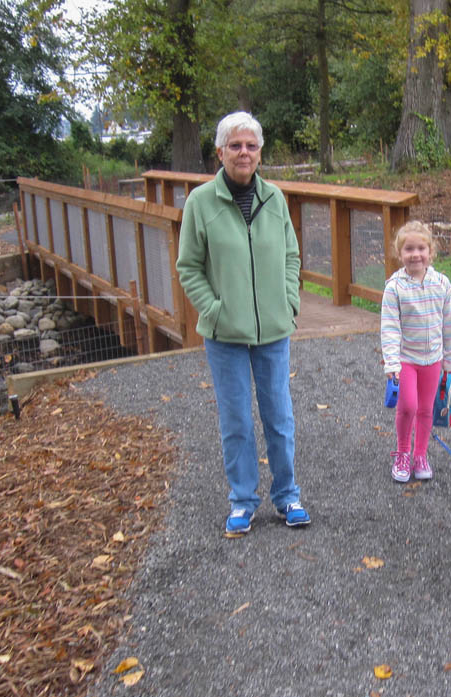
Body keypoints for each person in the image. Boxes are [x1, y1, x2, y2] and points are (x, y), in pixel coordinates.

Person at [176, 111, 310, 537]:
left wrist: (289, 300)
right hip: (224, 334)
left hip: (272, 329)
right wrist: (212, 310)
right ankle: (242, 500)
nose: (244, 153)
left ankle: (287, 495)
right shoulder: (200, 202)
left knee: (279, 417)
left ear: (260, 152)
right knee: (236, 420)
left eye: (251, 146)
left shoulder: (275, 199)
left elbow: (291, 255)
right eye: (235, 145)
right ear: (219, 152)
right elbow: (189, 267)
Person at [380, 220, 451, 483]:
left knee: (426, 408)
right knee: (408, 406)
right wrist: (392, 361)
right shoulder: (395, 288)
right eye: (409, 249)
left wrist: (450, 358)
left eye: (421, 248)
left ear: (430, 252)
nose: (415, 254)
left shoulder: (442, 284)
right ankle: (403, 453)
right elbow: (390, 327)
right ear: (399, 253)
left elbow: (450, 323)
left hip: (433, 360)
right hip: (407, 360)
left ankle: (420, 455)